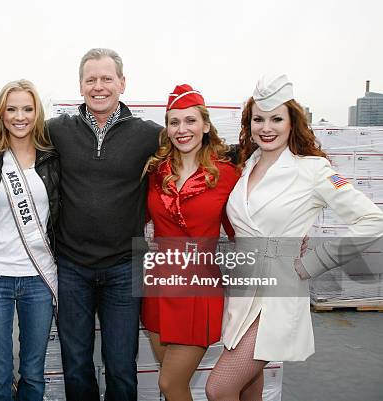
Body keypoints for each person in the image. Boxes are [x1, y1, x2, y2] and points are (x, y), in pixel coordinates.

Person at [205, 75, 383, 401]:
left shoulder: (313, 170)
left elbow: (371, 220)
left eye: (276, 118)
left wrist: (312, 263)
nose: (266, 127)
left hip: (277, 295)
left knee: (219, 388)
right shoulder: (245, 167)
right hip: (242, 293)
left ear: (292, 122)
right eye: (258, 119)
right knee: (248, 390)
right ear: (249, 123)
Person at [46, 48, 161, 401]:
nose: (99, 86)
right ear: (80, 86)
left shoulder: (150, 135)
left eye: (107, 78)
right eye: (91, 79)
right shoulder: (55, 130)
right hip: (71, 266)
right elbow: (9, 135)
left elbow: (200, 147)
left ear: (122, 84)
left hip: (124, 266)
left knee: (122, 366)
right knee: (76, 364)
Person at [141, 84, 239, 401]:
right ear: (166, 128)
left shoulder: (226, 175)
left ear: (206, 125)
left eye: (191, 121)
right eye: (174, 122)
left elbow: (244, 230)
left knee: (170, 383)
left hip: (198, 289)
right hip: (158, 288)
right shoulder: (157, 172)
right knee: (172, 386)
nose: (182, 130)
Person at [0, 79, 59, 401]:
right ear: (1, 113)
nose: (19, 116)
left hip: (37, 277)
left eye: (27, 108)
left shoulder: (52, 159)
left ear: (37, 113)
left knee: (33, 374)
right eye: (12, 109)